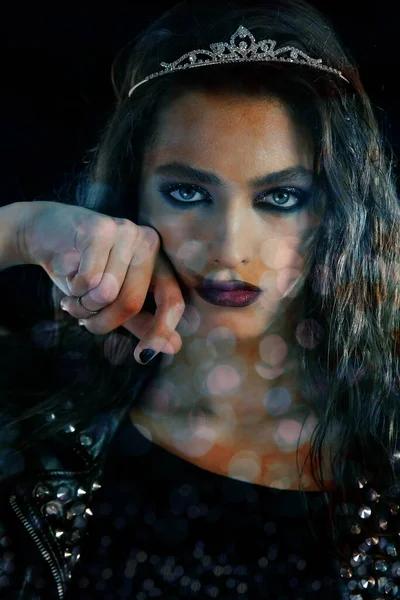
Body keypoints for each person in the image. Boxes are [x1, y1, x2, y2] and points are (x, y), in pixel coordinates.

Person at [0, 0, 399, 598]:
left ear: (340, 210)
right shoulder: (31, 407)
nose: (230, 249)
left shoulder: (385, 443)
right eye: (187, 192)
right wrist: (21, 231)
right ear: (134, 197)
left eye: (281, 197)